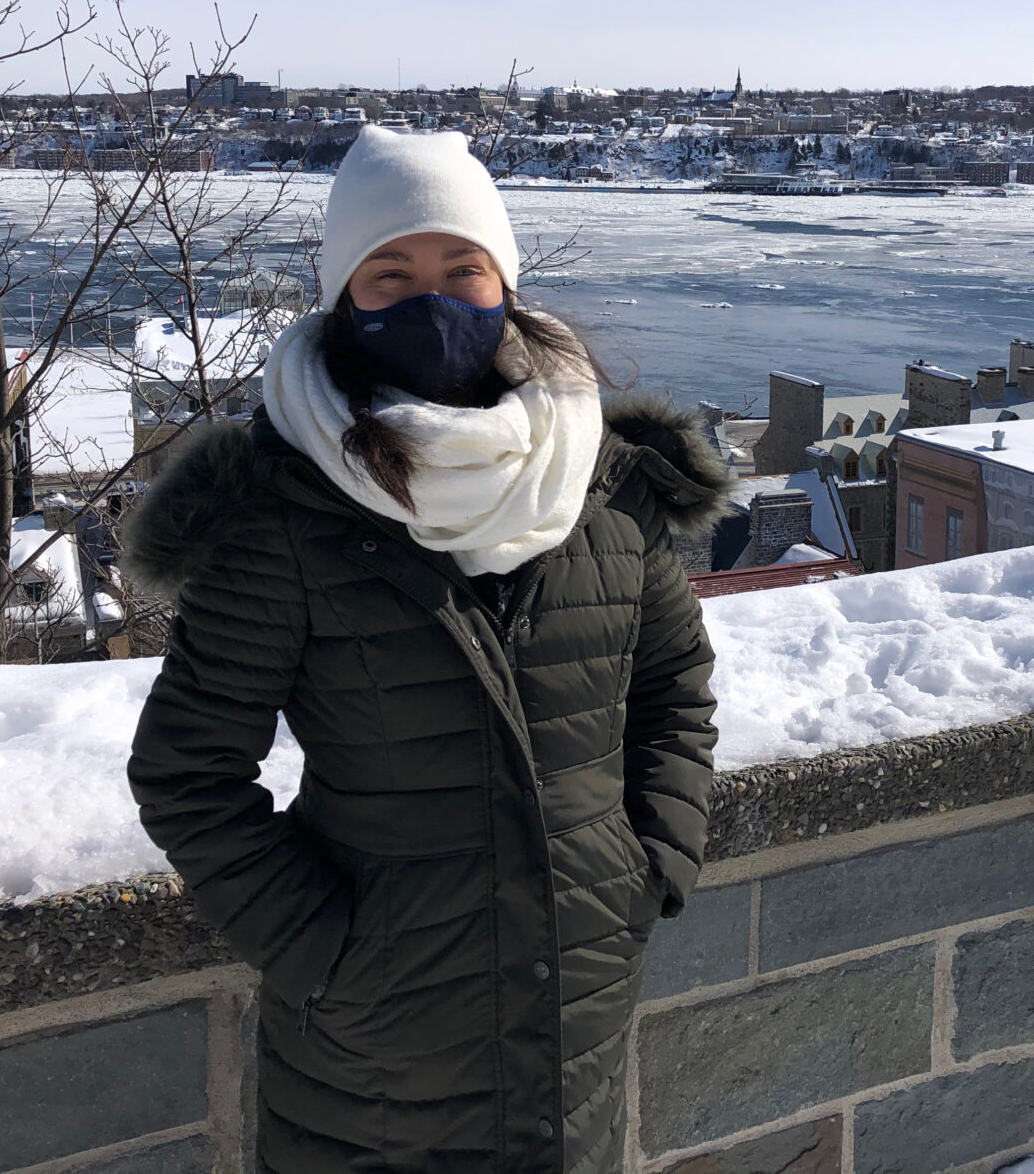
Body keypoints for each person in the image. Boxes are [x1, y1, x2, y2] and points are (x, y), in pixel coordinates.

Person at [124, 127, 724, 1174]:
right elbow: (186, 771)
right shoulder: (282, 511)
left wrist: (649, 863)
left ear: (504, 281)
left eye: (461, 267)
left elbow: (674, 684)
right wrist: (329, 952)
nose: (430, 298)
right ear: (343, 294)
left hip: (575, 1006)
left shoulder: (604, 481)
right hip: (370, 1059)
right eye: (389, 272)